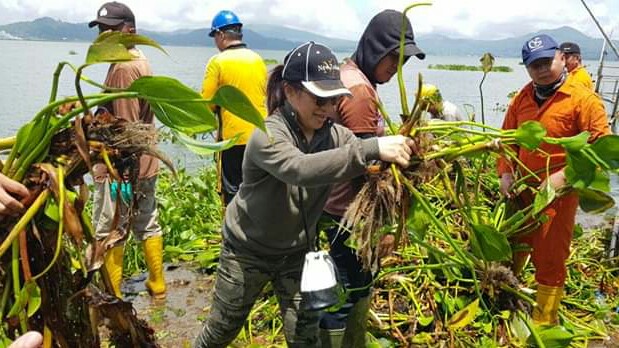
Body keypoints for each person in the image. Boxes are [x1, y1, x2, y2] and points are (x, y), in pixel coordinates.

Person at [194, 41, 416, 348]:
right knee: (220, 332)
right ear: (289, 91)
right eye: (318, 98)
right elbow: (299, 168)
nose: (327, 109)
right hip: (247, 252)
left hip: (296, 254)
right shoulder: (267, 133)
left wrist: (403, 155)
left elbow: (361, 157)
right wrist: (372, 148)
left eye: (333, 100)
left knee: (304, 337)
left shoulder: (335, 135)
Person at [320, 9, 424, 347]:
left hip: (329, 204)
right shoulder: (361, 92)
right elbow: (364, 163)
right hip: (347, 212)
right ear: (376, 48)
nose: (397, 69)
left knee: (341, 287)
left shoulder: (346, 73)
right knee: (350, 290)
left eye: (403, 62)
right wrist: (410, 160)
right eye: (393, 59)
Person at [498, 34, 609, 326]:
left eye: (547, 61)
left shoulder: (583, 99)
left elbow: (602, 150)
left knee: (549, 258)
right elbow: (507, 141)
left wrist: (564, 175)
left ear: (562, 57)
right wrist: (506, 172)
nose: (542, 69)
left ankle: (544, 324)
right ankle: (509, 305)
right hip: (522, 192)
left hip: (558, 196)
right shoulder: (521, 98)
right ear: (527, 68)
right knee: (512, 248)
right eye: (534, 65)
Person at [88, 1, 166, 300]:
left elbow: (124, 128)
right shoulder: (139, 58)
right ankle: (157, 284)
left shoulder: (122, 67)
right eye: (102, 30)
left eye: (111, 30)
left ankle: (113, 295)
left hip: (120, 167)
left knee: (110, 229)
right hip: (145, 161)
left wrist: (118, 173)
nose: (105, 36)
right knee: (147, 222)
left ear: (130, 30)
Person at [201, 10, 268, 206]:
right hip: (260, 136)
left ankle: (231, 234)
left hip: (232, 140)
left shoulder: (218, 62)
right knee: (256, 189)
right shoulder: (258, 59)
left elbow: (207, 104)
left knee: (231, 191)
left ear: (221, 35)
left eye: (215, 37)